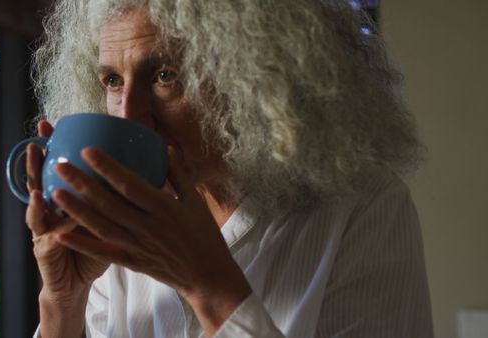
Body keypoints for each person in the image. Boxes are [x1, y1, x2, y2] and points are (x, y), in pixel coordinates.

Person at [25, 0, 433, 337]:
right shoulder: (118, 221)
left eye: (166, 76)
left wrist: (208, 283)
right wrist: (63, 303)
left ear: (254, 77)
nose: (129, 117)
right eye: (113, 81)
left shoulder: (365, 207)